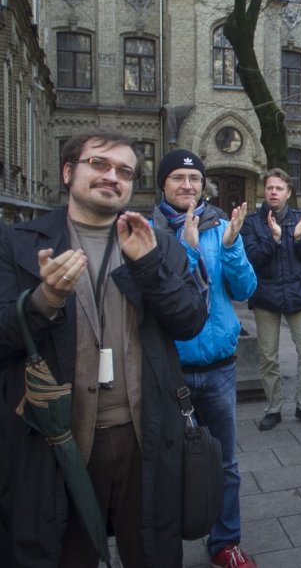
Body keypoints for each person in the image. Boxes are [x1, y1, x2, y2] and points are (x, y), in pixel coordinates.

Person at [0, 129, 208, 567]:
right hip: (55, 444)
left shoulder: (156, 242)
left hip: (144, 438)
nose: (112, 176)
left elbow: (189, 321)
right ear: (67, 172)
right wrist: (42, 302)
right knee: (62, 552)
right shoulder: (17, 244)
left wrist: (150, 267)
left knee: (151, 552)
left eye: (125, 171)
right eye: (99, 164)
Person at [151, 149, 259, 567]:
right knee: (167, 463)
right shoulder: (147, 229)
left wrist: (231, 247)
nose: (187, 186)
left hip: (218, 369)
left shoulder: (219, 225)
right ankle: (165, 546)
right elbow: (163, 296)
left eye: (194, 179)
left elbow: (244, 289)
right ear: (163, 183)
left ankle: (225, 541)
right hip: (169, 371)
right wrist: (188, 249)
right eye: (177, 177)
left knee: (224, 463)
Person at [241, 169, 301, 431]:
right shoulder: (252, 223)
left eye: (279, 188)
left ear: (288, 193)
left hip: (297, 297)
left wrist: (299, 237)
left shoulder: (299, 220)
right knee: (268, 357)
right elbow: (253, 258)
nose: (273, 192)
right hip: (265, 298)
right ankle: (274, 408)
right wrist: (276, 238)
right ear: (264, 191)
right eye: (270, 188)